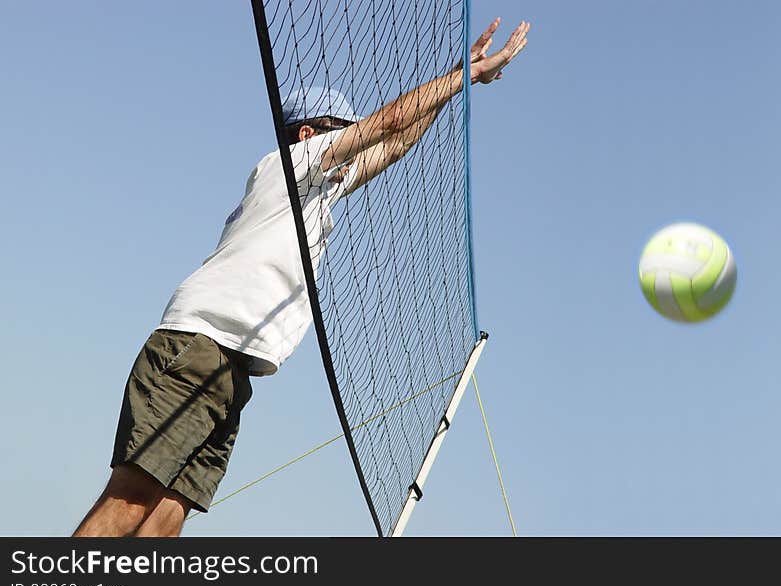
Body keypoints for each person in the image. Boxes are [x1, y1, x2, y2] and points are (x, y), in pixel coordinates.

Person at [73, 18, 529, 537]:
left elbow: (395, 144)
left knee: (166, 520)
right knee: (132, 500)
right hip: (199, 346)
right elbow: (386, 124)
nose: (353, 144)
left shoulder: (318, 188)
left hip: (231, 366)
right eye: (344, 129)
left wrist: (457, 76)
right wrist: (462, 78)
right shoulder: (292, 162)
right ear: (310, 133)